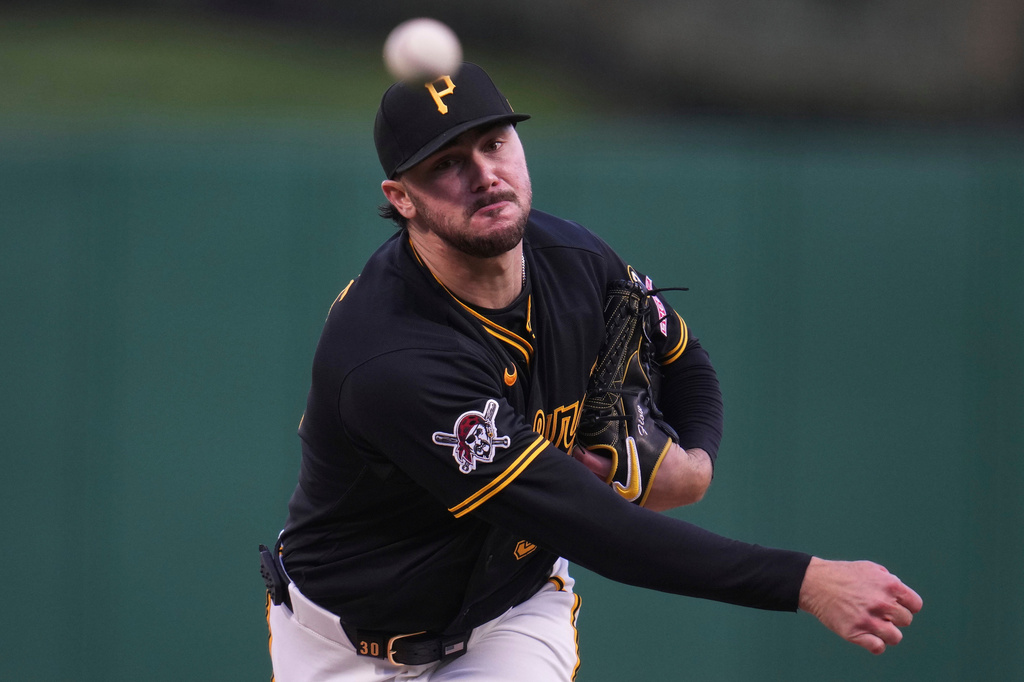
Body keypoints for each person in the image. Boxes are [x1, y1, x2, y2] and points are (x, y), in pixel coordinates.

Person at [260, 62, 922, 682]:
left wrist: (696, 464)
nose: (484, 173)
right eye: (448, 164)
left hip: (509, 619)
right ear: (401, 198)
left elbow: (685, 361)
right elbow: (599, 531)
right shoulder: (394, 357)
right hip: (340, 643)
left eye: (494, 144)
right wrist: (802, 581)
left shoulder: (578, 259)